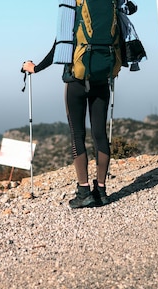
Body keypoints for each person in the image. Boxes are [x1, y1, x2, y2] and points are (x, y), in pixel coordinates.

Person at [22, 45, 111, 209]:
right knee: (100, 134)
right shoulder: (111, 18)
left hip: (75, 82)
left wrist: (35, 68)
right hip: (102, 81)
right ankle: (102, 191)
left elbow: (58, 48)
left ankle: (84, 192)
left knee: (77, 134)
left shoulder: (71, 19)